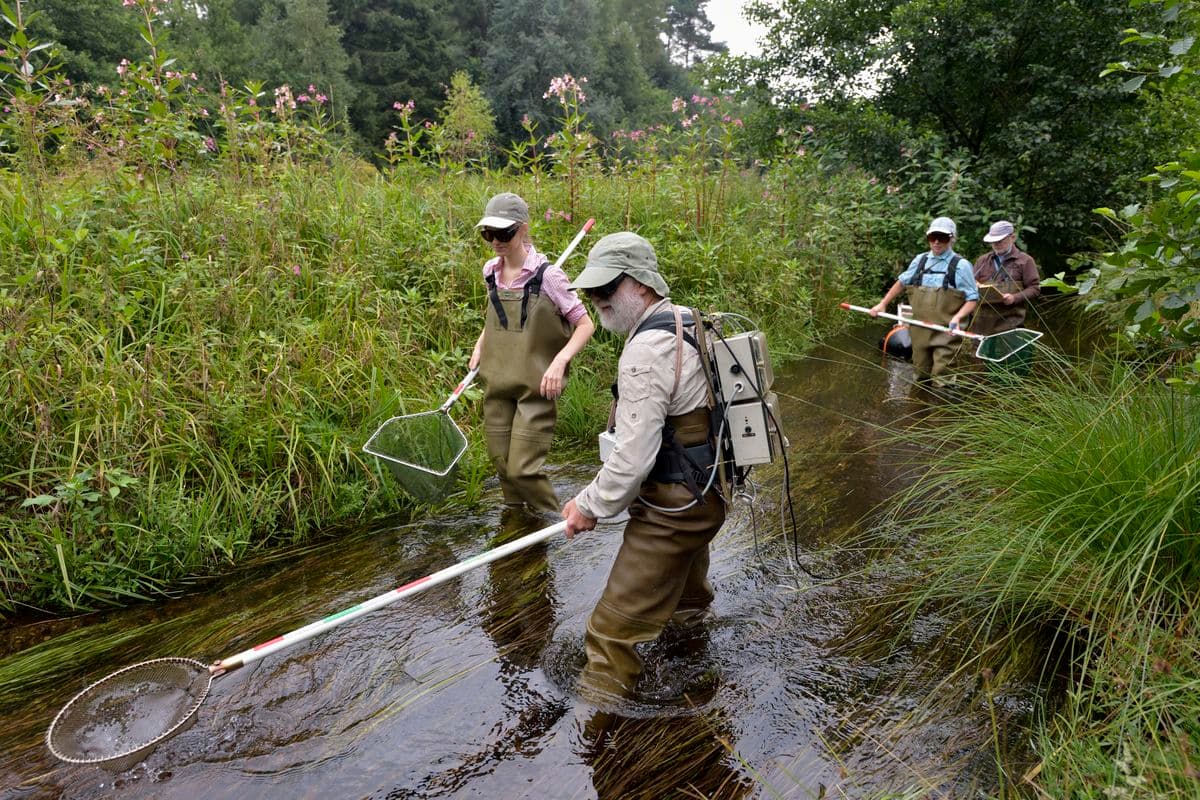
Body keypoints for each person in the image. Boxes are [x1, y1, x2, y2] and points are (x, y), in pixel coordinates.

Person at [562, 231, 725, 697]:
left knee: (611, 634)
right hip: (709, 492)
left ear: (641, 284)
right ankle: (693, 665)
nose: (596, 300)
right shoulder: (688, 320)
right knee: (687, 601)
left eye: (607, 289)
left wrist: (588, 505)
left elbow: (632, 459)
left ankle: (597, 733)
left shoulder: (644, 352)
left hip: (675, 507)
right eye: (591, 291)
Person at [470, 192, 595, 513]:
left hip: (535, 387)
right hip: (496, 383)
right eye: (488, 233)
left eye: (504, 233)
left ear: (523, 229)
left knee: (522, 470)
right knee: (503, 468)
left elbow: (585, 325)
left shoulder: (550, 276)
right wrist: (481, 343)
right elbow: (497, 316)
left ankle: (561, 525)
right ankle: (519, 531)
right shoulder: (490, 272)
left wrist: (560, 361)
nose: (495, 241)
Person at [869, 216, 979, 386]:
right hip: (919, 330)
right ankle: (920, 409)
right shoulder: (920, 260)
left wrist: (957, 318)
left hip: (946, 331)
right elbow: (901, 282)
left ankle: (943, 409)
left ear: (952, 239)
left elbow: (972, 298)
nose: (936, 242)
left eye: (942, 238)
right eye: (932, 237)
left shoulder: (961, 265)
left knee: (943, 377)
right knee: (920, 376)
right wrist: (883, 303)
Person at [971, 220, 1041, 336]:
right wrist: (975, 285)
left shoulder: (1025, 261)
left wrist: (1014, 298)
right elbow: (970, 284)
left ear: (1013, 237)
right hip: (981, 326)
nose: (996, 244)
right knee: (978, 354)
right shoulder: (983, 260)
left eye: (1000, 241)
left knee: (1009, 353)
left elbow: (1035, 288)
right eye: (993, 242)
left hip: (1011, 325)